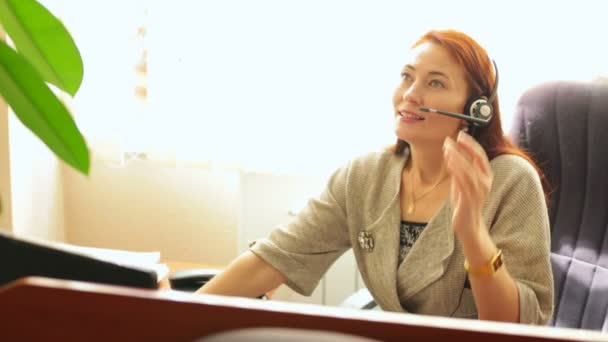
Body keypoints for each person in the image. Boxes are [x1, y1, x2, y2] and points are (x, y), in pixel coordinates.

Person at [197, 29, 554, 324]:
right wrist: (175, 317)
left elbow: (517, 326)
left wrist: (474, 234)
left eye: (436, 83)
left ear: (475, 110)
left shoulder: (510, 180)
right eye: (406, 77)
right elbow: (276, 257)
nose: (411, 95)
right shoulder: (365, 176)